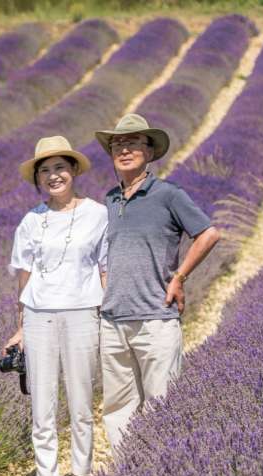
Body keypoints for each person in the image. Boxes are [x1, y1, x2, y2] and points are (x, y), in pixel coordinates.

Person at [94, 114, 220, 453]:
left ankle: (160, 470)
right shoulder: (109, 200)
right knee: (117, 408)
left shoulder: (168, 194)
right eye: (118, 144)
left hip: (156, 316)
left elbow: (208, 234)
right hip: (113, 319)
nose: (125, 149)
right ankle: (125, 472)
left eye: (134, 143)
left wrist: (179, 277)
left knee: (161, 404)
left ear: (149, 153)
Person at [6, 136, 107, 476]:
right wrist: (19, 326)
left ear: (74, 171)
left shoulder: (97, 214)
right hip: (39, 316)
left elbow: (105, 266)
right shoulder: (31, 221)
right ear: (37, 179)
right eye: (44, 170)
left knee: (81, 398)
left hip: (82, 311)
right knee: (43, 400)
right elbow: (24, 275)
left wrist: (106, 311)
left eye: (60, 168)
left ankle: (81, 473)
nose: (53, 176)